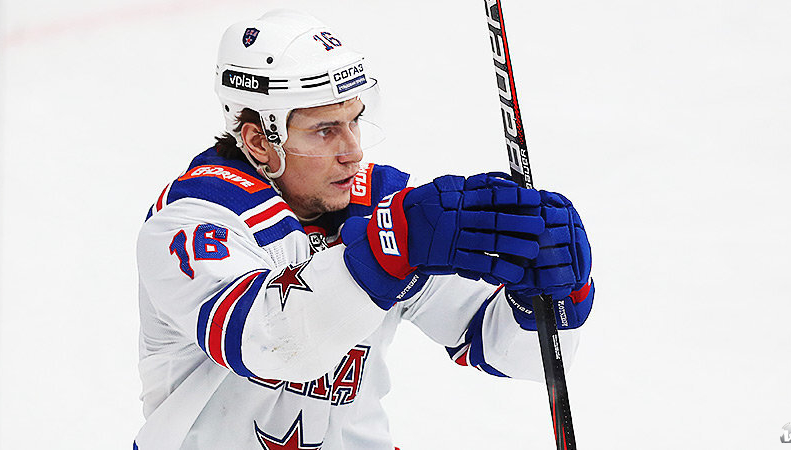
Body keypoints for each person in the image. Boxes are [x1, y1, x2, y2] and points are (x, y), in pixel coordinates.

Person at [135, 9, 594, 450]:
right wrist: (388, 249)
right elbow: (274, 343)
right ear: (260, 140)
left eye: (353, 120)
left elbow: (510, 351)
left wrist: (545, 294)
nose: (352, 150)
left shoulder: (374, 205)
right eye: (325, 130)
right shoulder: (190, 223)